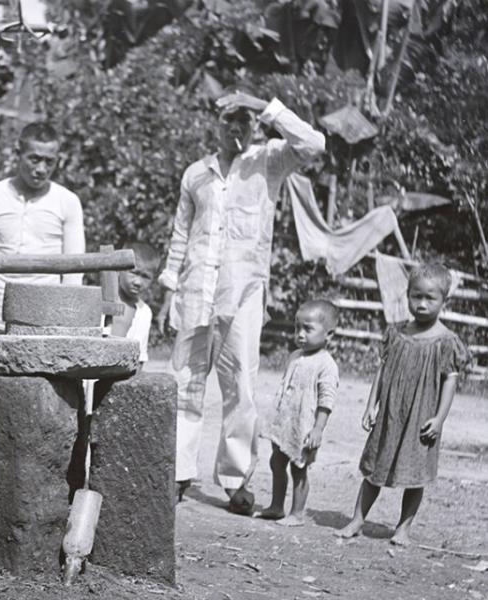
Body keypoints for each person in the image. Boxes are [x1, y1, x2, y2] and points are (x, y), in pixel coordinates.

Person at [156, 88, 326, 512]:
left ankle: (235, 480)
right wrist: (168, 290)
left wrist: (261, 105)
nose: (236, 128)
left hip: (244, 290)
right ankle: (178, 472)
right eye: (228, 120)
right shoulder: (197, 173)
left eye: (243, 121)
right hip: (196, 289)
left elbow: (314, 143)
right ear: (216, 125)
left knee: (242, 388)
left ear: (253, 123)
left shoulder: (269, 160)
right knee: (185, 382)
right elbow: (181, 235)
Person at [336, 263, 469, 546]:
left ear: (445, 301)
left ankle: (403, 528)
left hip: (422, 416)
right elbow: (382, 372)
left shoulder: (446, 342)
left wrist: (440, 418)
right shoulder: (396, 334)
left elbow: (450, 382)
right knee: (374, 467)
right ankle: (358, 519)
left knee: (415, 474)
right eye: (415, 296)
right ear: (406, 295)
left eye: (429, 298)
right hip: (390, 414)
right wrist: (371, 405)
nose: (421, 304)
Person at [0, 122, 85, 331]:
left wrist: (69, 320)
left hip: (49, 317)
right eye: (34, 159)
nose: (41, 169)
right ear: (18, 153)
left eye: (49, 162)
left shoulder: (67, 201)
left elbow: (74, 270)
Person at [258, 300, 339, 526]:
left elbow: (326, 400)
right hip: (285, 422)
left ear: (329, 335)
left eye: (308, 329)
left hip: (303, 427)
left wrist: (318, 429)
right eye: (297, 328)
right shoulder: (294, 356)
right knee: (276, 462)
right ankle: (276, 506)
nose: (300, 334)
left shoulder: (326, 365)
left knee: (298, 468)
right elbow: (285, 388)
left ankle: (297, 512)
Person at [110, 241, 159, 368]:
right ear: (119, 270)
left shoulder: (144, 312)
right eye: (134, 273)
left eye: (145, 277)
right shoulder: (103, 301)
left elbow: (140, 358)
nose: (138, 282)